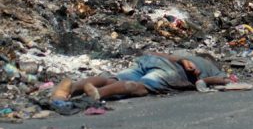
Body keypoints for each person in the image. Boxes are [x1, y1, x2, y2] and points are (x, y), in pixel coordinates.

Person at [50, 52, 229, 101]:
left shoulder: (184, 56)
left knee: (112, 78)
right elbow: (220, 81)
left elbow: (155, 52)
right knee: (140, 88)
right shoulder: (211, 67)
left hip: (151, 60)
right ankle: (99, 94)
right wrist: (213, 79)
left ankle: (72, 87)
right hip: (170, 73)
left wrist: (182, 60)